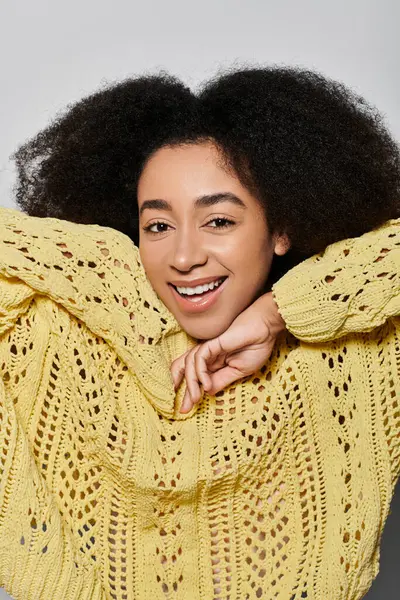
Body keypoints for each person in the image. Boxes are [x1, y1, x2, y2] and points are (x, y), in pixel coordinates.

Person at [0, 66, 399, 600]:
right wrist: (104, 268)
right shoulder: (50, 338)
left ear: (281, 227)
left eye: (219, 221)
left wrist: (282, 311)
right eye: (157, 226)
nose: (184, 257)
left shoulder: (358, 356)